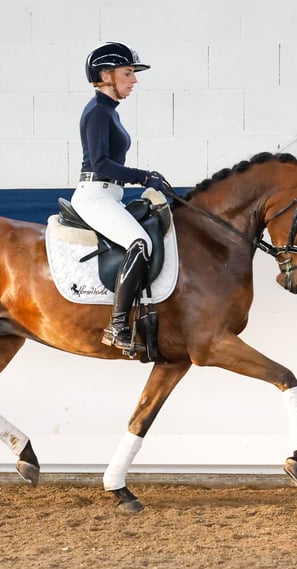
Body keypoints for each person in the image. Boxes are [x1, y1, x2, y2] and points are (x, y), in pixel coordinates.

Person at [71, 41, 169, 352]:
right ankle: (117, 325)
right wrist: (143, 176)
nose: (134, 80)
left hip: (109, 195)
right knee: (140, 243)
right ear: (106, 75)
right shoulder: (99, 112)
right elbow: (101, 164)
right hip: (95, 196)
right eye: (128, 73)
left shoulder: (108, 112)